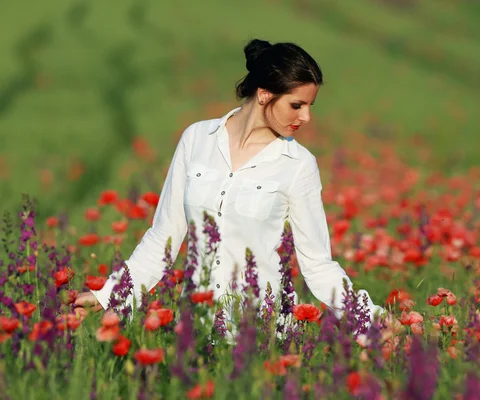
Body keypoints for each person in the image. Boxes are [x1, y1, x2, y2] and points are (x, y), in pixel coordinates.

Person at [74, 38, 387, 326]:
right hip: (194, 328)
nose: (306, 117)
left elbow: (317, 265)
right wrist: (108, 295)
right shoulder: (197, 139)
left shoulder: (298, 165)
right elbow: (163, 238)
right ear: (265, 94)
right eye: (297, 105)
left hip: (258, 334)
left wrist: (372, 319)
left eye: (310, 106)